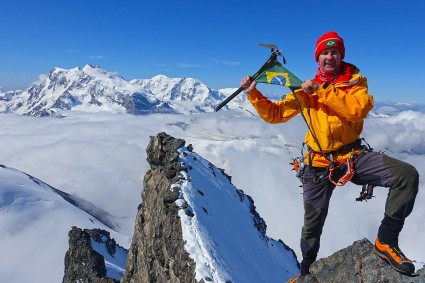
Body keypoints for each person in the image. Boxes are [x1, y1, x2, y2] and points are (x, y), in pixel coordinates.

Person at [240, 31, 419, 280]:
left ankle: (386, 241)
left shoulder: (355, 83)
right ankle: (306, 273)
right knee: (312, 226)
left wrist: (321, 90)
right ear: (318, 57)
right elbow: (275, 114)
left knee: (406, 176)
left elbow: (356, 110)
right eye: (325, 52)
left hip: (353, 156)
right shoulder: (305, 90)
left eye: (335, 52)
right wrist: (253, 94)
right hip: (318, 163)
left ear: (341, 55)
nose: (330, 56)